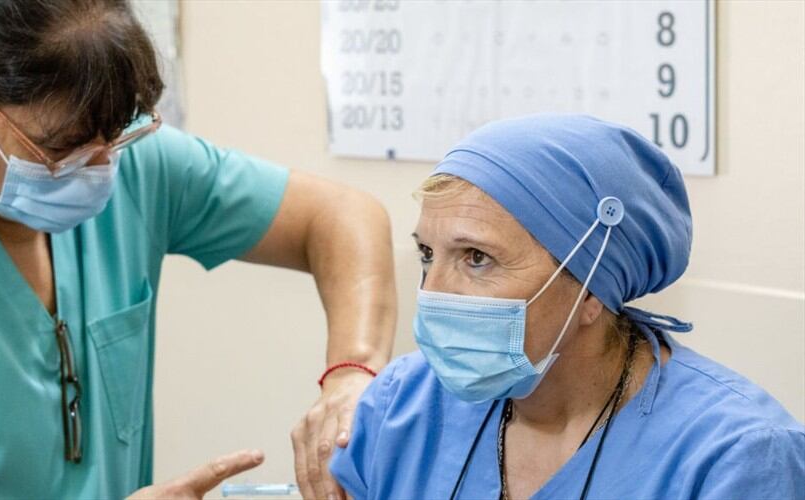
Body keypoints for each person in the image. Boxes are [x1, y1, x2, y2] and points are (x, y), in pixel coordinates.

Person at [0, 1, 395, 498]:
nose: (100, 170)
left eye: (116, 136)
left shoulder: (129, 163)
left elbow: (343, 216)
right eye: (62, 151)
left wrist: (352, 376)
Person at [329, 114, 805, 499]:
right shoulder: (401, 406)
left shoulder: (735, 458)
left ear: (591, 292)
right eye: (428, 255)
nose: (433, 292)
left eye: (477, 258)